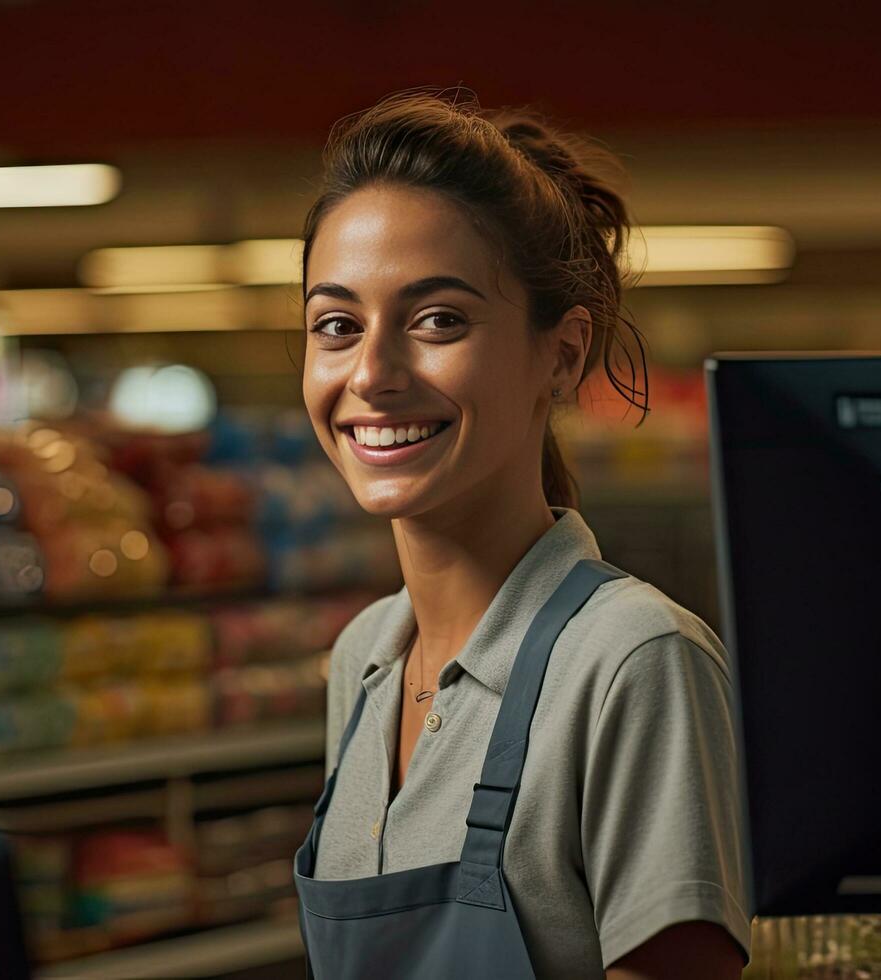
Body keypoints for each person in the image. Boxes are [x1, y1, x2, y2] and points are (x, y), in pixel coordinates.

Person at [292, 91, 752, 979]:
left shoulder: (632, 660)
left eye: (438, 321)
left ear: (563, 352)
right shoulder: (362, 661)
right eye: (337, 326)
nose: (373, 374)